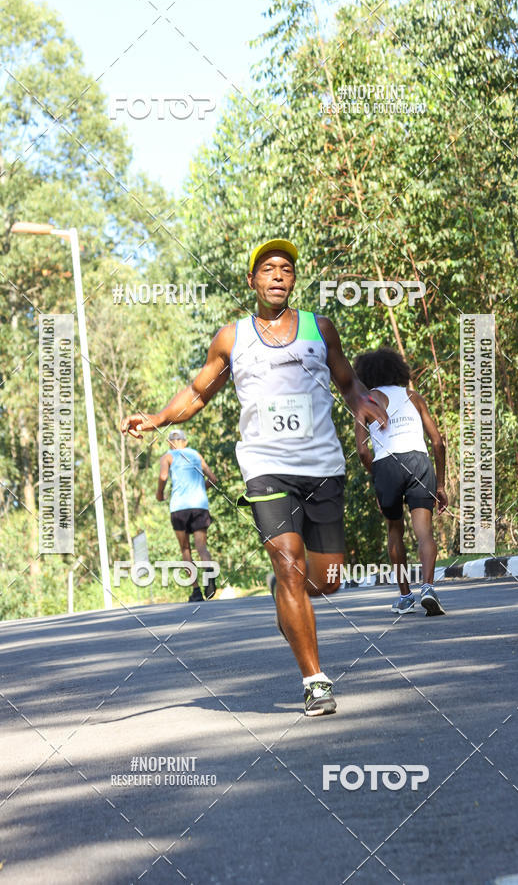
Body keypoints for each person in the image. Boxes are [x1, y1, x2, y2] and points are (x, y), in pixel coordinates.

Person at [121, 238, 388, 716]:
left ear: (293, 279)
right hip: (265, 468)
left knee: (325, 580)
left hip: (323, 465)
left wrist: (364, 401)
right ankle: (316, 681)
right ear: (252, 281)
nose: (278, 275)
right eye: (268, 269)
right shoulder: (232, 337)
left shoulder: (319, 329)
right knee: (289, 563)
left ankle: (286, 599)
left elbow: (347, 382)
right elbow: (198, 391)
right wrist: (158, 419)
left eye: (286, 268)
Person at [353, 346, 448, 616]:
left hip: (387, 465)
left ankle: (406, 597)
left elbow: (362, 451)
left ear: (366, 375)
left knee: (395, 531)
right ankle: (428, 588)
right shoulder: (414, 397)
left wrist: (378, 477)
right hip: (419, 461)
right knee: (424, 532)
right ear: (398, 370)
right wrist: (440, 485)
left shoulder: (366, 401)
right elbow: (438, 443)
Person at [156, 429, 218, 602]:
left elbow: (163, 476)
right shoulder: (196, 455)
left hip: (179, 507)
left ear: (170, 442)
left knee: (185, 549)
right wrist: (199, 490)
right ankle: (209, 575)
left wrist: (159, 495)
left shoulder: (168, 457)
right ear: (185, 441)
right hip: (199, 505)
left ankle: (196, 591)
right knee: (201, 547)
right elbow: (213, 479)